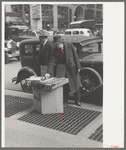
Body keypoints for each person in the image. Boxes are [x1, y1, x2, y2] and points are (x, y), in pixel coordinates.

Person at [45, 35, 81, 106]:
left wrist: (78, 66)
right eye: (55, 44)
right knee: (66, 86)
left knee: (76, 85)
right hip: (63, 70)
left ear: (61, 42)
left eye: (58, 44)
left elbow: (75, 55)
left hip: (72, 68)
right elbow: (51, 62)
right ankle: (65, 100)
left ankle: (78, 101)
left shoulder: (69, 44)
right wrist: (48, 73)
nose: (57, 46)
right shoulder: (54, 50)